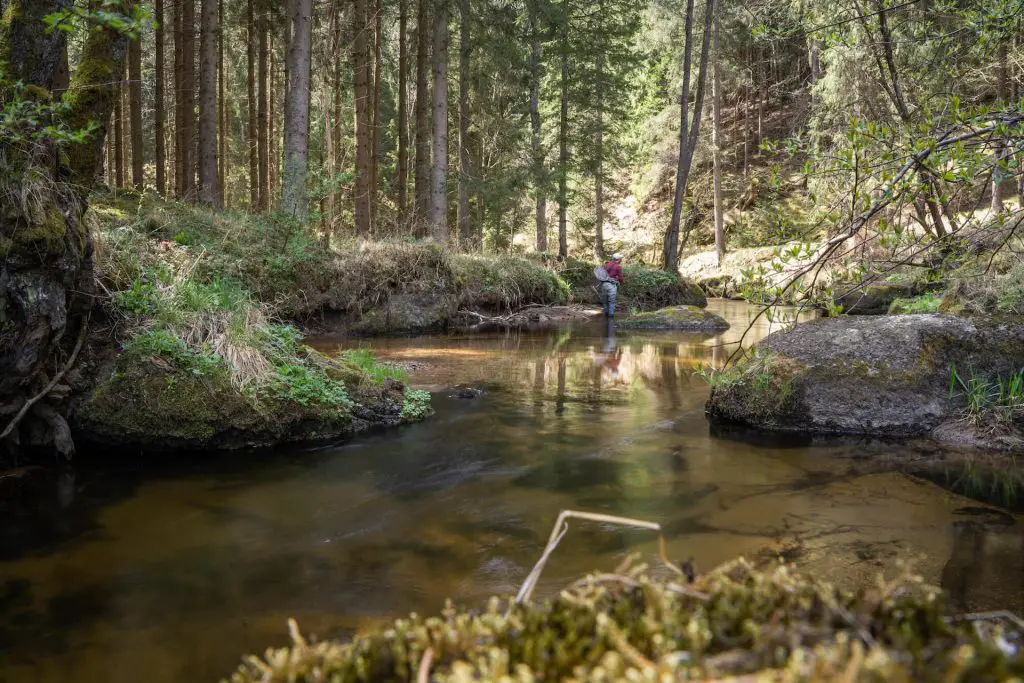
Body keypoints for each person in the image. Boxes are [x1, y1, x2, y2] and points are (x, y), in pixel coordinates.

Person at [601, 253, 625, 318]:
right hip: (611, 285)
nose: (622, 259)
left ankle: (605, 316)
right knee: (612, 302)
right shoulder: (618, 266)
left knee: (605, 301)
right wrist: (622, 283)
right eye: (621, 258)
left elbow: (603, 274)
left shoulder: (607, 264)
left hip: (604, 285)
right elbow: (620, 277)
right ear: (619, 259)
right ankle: (611, 317)